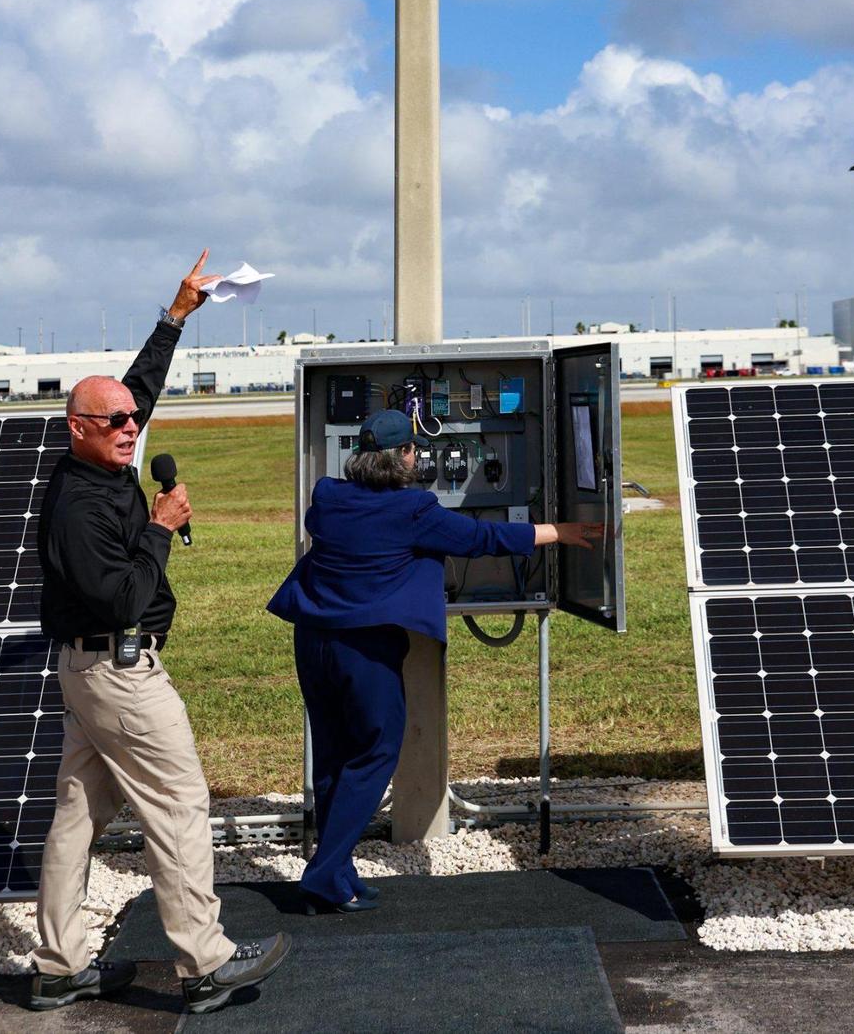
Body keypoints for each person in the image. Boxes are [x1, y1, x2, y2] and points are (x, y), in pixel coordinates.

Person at [30, 252, 291, 1016]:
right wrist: (160, 526)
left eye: (131, 421)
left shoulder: (103, 452)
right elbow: (123, 598)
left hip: (90, 677)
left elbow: (136, 386)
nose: (130, 428)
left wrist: (175, 313)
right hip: (118, 670)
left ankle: (58, 964)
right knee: (178, 800)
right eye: (113, 422)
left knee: (78, 813)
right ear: (78, 428)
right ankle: (205, 963)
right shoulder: (80, 507)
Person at [267, 407, 603, 912]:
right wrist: (557, 532)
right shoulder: (415, 511)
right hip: (366, 649)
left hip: (313, 641)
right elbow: (479, 539)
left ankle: (338, 873)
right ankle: (321, 874)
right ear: (405, 456)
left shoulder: (328, 496)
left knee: (334, 755)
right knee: (377, 753)